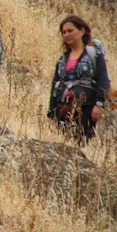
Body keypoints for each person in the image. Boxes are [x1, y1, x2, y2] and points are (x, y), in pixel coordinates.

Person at [46, 15, 111, 143]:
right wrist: (52, 113)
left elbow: (103, 79)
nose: (66, 35)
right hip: (63, 109)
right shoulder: (61, 60)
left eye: (70, 30)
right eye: (64, 32)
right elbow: (55, 86)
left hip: (86, 107)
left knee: (82, 143)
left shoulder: (94, 55)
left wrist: (99, 104)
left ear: (82, 31)